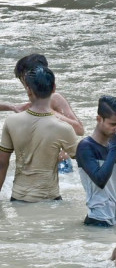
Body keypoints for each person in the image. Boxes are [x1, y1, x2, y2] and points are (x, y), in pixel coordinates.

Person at [0, 66, 82, 202]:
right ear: (54, 88)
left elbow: (2, 163)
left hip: (18, 198)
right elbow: (84, 160)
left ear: (28, 90)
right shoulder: (64, 128)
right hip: (50, 199)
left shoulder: (11, 121)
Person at [1, 54, 85, 173]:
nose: (24, 85)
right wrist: (12, 107)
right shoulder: (32, 101)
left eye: (24, 78)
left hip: (59, 165)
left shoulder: (54, 98)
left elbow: (79, 129)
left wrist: (49, 112)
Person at [75, 96, 116, 227]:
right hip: (97, 218)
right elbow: (100, 180)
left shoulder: (110, 147)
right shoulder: (86, 146)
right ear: (99, 119)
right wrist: (115, 147)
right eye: (113, 124)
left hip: (111, 217)